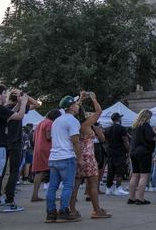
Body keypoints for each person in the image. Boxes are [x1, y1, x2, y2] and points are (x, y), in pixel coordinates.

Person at [0, 85, 27, 228]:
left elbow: (9, 115)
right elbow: (19, 116)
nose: (5, 96)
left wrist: (19, 104)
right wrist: (25, 102)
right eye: (3, 94)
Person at [0, 90, 36, 213]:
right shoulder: (3, 109)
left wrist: (20, 101)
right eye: (3, 93)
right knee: (13, 172)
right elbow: (35, 105)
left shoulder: (1, 109)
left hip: (3, 143)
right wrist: (25, 99)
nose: (5, 96)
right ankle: (9, 200)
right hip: (14, 143)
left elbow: (11, 113)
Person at [68, 91, 111, 219]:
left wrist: (80, 98)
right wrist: (93, 98)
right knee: (93, 184)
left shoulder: (73, 123)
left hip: (77, 155)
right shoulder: (86, 124)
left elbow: (75, 108)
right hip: (88, 156)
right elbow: (99, 111)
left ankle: (72, 209)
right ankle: (96, 210)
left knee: (75, 185)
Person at [46, 95, 83, 223]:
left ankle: (50, 213)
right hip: (66, 157)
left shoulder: (56, 121)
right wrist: (80, 159)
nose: (78, 106)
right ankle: (63, 211)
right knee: (68, 186)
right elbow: (75, 142)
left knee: (52, 187)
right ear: (72, 107)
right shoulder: (72, 121)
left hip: (54, 157)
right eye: (76, 105)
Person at [31, 109, 61, 202]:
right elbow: (49, 136)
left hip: (38, 149)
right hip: (47, 150)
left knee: (39, 172)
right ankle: (51, 195)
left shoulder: (41, 123)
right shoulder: (49, 123)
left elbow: (33, 138)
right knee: (54, 171)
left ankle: (34, 195)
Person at [128, 109, 156, 205]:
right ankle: (140, 198)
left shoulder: (134, 126)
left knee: (135, 174)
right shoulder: (146, 126)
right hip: (144, 152)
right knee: (144, 175)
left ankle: (131, 198)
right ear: (147, 117)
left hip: (133, 152)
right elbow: (151, 138)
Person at [104, 113, 130, 196]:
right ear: (118, 119)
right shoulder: (122, 128)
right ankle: (118, 188)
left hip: (110, 151)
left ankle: (108, 188)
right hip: (120, 151)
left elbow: (106, 141)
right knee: (120, 170)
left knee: (111, 170)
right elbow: (125, 141)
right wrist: (128, 150)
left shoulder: (107, 129)